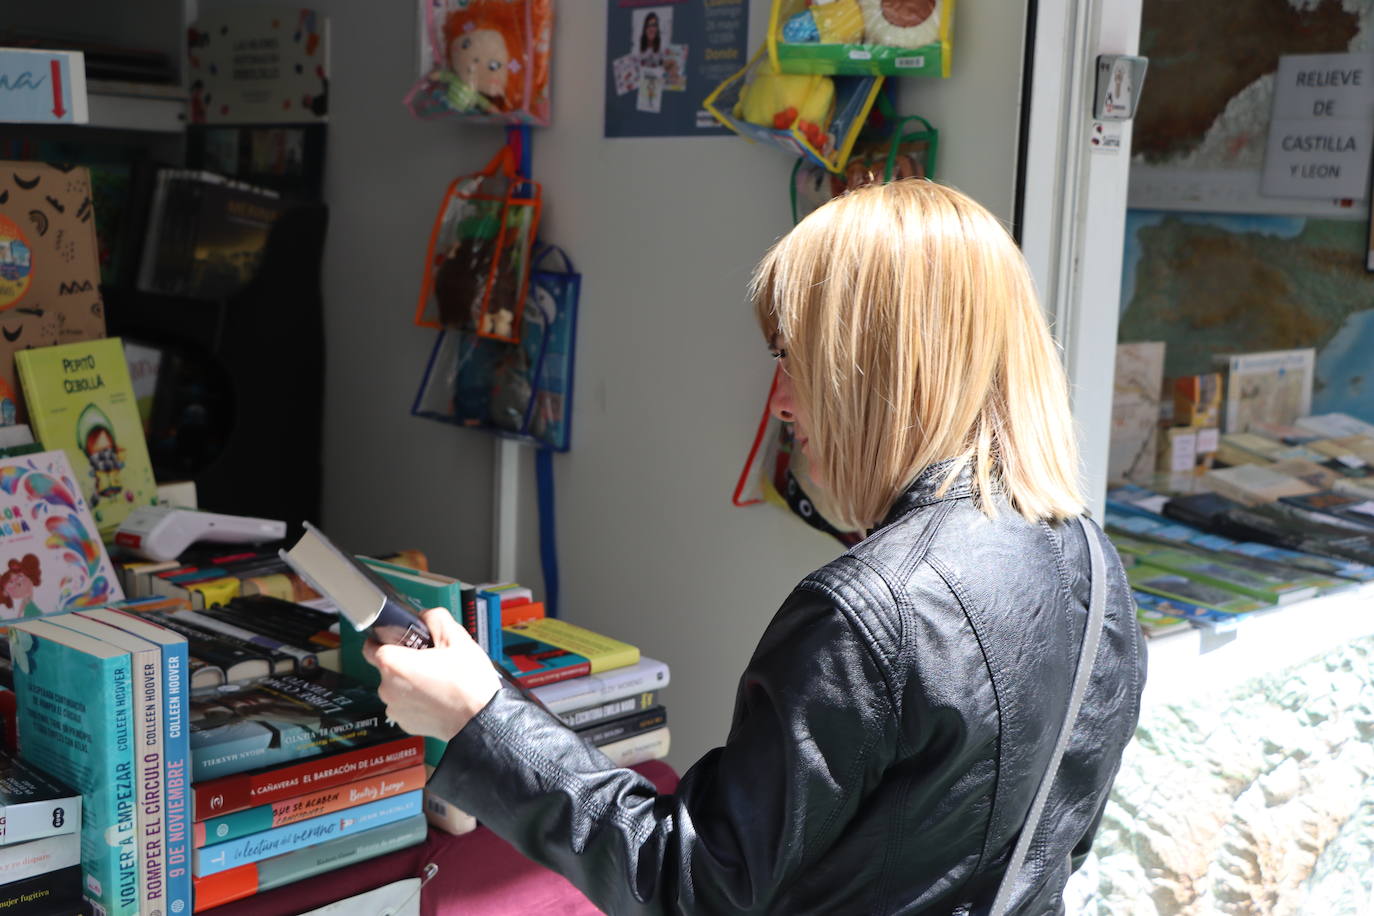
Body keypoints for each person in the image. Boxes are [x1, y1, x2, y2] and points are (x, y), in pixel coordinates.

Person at [365, 180, 1147, 914]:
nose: (778, 402)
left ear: (873, 368)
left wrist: (480, 717)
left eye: (789, 358)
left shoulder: (871, 613)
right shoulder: (1091, 564)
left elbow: (690, 885)